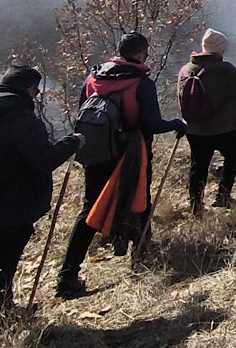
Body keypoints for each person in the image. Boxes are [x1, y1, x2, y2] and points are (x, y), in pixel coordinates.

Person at [0, 65, 83, 346]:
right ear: (27, 89)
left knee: (0, 266)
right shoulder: (19, 118)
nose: (36, 95)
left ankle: (3, 314)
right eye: (35, 89)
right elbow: (45, 159)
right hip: (4, 208)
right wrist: (71, 142)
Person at [55, 32, 186, 299]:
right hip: (131, 153)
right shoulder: (141, 83)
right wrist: (176, 124)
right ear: (139, 54)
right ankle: (141, 256)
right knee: (139, 202)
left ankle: (67, 275)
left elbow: (83, 112)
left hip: (96, 151)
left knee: (89, 210)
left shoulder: (93, 78)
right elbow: (151, 124)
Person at [178, 28, 236, 215]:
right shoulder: (224, 69)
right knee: (233, 155)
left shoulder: (186, 70)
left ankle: (195, 205)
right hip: (223, 128)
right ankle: (223, 196)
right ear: (220, 49)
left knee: (198, 166)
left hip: (194, 129)